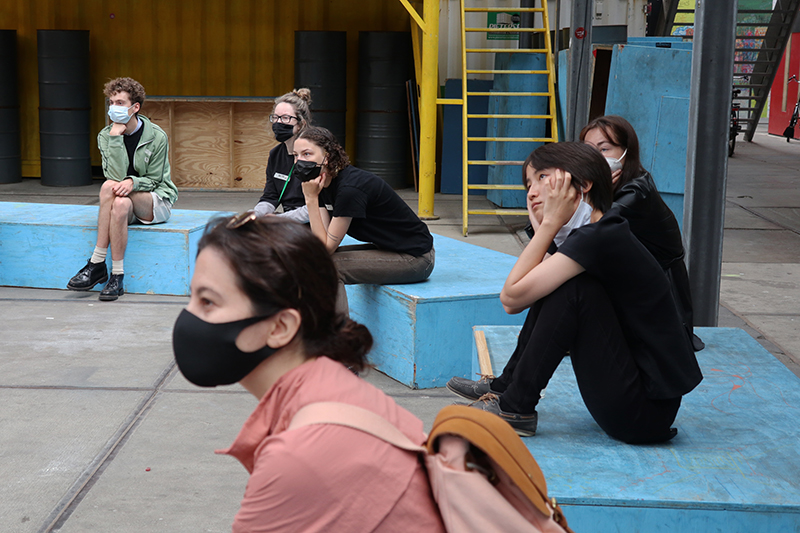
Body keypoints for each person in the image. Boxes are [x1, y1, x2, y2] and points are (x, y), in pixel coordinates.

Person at [171, 214, 444, 532]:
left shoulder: (297, 457)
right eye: (191, 297)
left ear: (280, 327)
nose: (188, 317)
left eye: (207, 301)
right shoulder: (331, 385)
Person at [454, 143, 703, 443]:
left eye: (543, 178)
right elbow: (531, 285)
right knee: (558, 283)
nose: (531, 192)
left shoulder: (600, 237)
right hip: (638, 402)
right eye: (528, 184)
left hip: (642, 413)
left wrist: (549, 225)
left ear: (583, 185)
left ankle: (515, 406)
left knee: (572, 290)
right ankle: (505, 388)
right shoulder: (597, 232)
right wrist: (546, 227)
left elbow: (511, 299)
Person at [580, 115, 703, 351]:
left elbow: (588, 235)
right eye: (589, 150)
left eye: (604, 149)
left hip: (659, 300)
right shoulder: (601, 187)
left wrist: (589, 195)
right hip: (628, 283)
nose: (596, 158)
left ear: (626, 153)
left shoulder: (636, 192)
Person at [297, 126, 435, 314]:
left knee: (330, 267)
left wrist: (311, 200)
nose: (299, 161)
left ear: (326, 157)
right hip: (387, 249)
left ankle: (338, 331)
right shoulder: (321, 184)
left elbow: (326, 248)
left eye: (306, 154)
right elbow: (321, 243)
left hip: (416, 258)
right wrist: (313, 197)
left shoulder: (349, 188)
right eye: (296, 155)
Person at [66, 77, 177, 301]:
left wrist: (133, 182)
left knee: (109, 188)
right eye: (111, 102)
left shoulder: (156, 136)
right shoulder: (105, 136)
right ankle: (117, 276)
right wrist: (115, 138)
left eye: (120, 103)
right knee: (118, 202)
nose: (113, 107)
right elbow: (115, 177)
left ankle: (96, 262)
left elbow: (155, 179)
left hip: (155, 201)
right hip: (124, 202)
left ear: (135, 107)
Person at [253, 88, 313, 223]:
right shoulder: (275, 154)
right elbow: (270, 196)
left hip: (313, 223)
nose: (278, 122)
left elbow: (316, 208)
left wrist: (279, 219)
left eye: (285, 118)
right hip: (288, 221)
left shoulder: (314, 155)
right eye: (275, 117)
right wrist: (255, 214)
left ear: (301, 124)